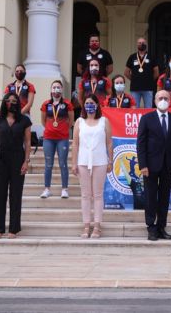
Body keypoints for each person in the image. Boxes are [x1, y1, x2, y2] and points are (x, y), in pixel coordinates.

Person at [136, 90, 171, 241]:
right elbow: (141, 144)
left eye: (166, 98)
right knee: (150, 197)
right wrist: (143, 165)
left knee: (164, 197)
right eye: (160, 98)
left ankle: (162, 227)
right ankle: (151, 227)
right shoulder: (146, 118)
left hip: (168, 166)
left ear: (170, 101)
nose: (163, 100)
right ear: (155, 100)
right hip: (149, 166)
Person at [0, 93, 32, 239]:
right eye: (8, 101)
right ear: (4, 103)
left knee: (16, 194)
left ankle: (14, 228)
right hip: (1, 160)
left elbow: (27, 143)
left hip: (18, 160)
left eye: (14, 101)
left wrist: (26, 161)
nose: (11, 103)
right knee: (0, 194)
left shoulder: (24, 121)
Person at [71, 94, 113, 239]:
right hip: (83, 161)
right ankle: (86, 225)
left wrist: (110, 161)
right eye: (87, 103)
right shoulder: (79, 122)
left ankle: (97, 226)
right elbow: (75, 143)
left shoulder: (104, 121)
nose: (89, 105)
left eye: (92, 103)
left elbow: (109, 142)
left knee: (98, 194)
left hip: (100, 161)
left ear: (97, 105)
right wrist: (73, 163)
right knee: (85, 194)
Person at [40, 80, 74, 199]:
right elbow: (43, 121)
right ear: (51, 90)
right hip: (48, 138)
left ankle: (64, 189)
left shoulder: (67, 104)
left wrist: (63, 130)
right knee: (48, 164)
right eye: (54, 87)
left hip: (62, 139)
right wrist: (51, 129)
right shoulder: (46, 104)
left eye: (58, 87)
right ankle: (47, 189)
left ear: (62, 89)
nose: (56, 90)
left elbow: (71, 121)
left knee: (63, 164)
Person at [125, 37, 159, 108]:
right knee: (135, 108)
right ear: (137, 45)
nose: (141, 44)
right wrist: (134, 79)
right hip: (135, 88)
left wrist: (149, 79)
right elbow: (126, 72)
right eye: (139, 43)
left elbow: (156, 72)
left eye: (143, 43)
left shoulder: (151, 56)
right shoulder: (132, 57)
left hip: (148, 87)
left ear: (146, 44)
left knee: (148, 108)